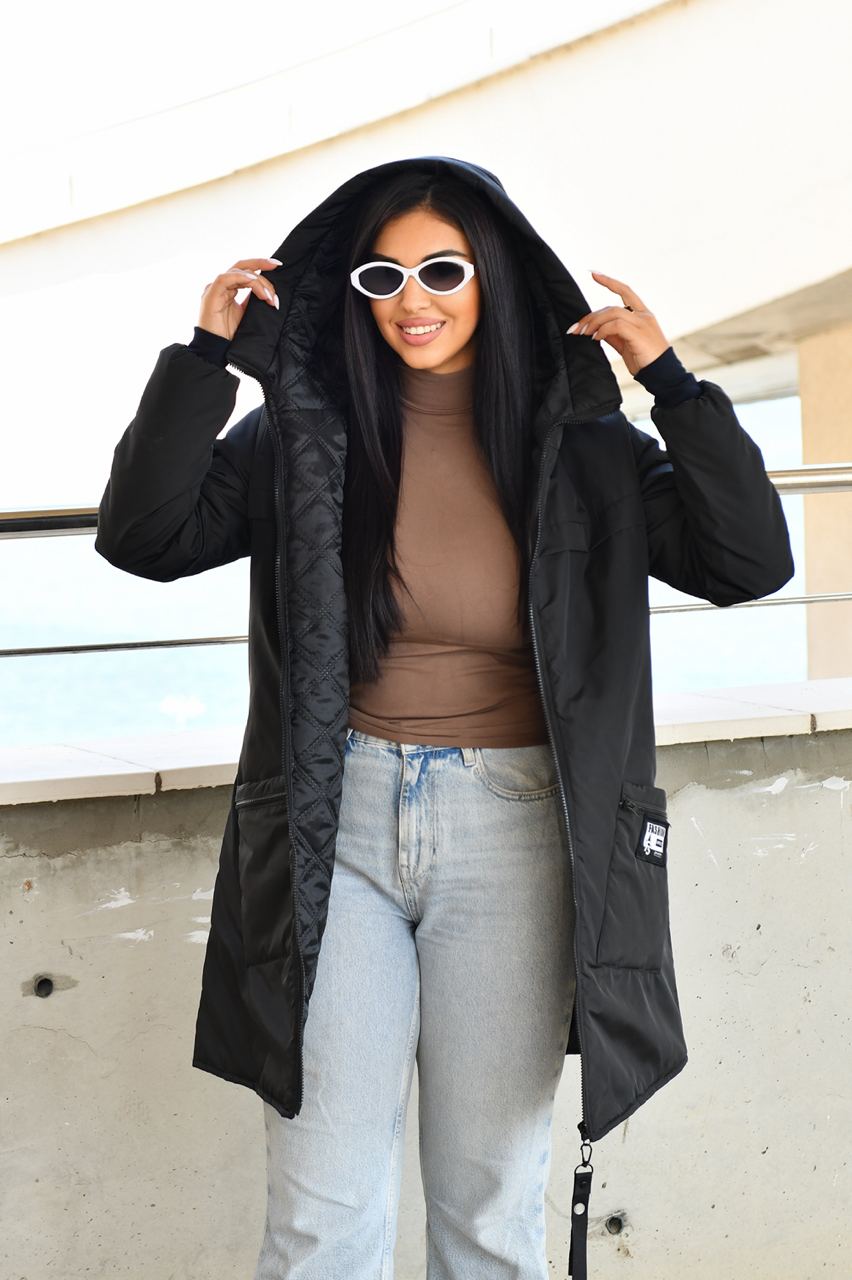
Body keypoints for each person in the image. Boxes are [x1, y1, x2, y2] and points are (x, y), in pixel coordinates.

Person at [95, 155, 794, 1279]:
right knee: (322, 1211)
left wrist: (670, 382)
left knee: (489, 1206)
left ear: (493, 277)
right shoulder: (305, 437)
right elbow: (146, 536)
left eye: (441, 270)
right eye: (382, 275)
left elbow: (748, 561)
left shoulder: (587, 448)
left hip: (518, 829)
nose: (411, 298)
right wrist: (205, 358)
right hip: (336, 824)